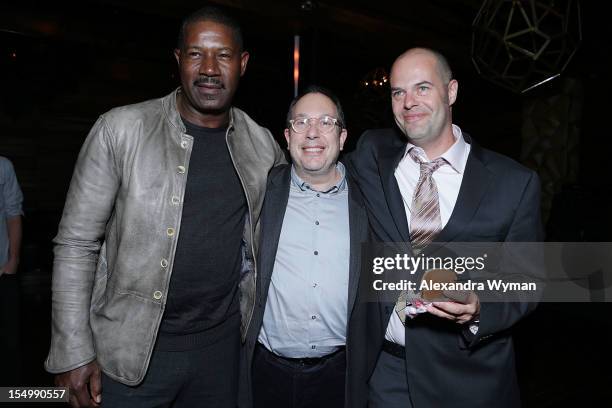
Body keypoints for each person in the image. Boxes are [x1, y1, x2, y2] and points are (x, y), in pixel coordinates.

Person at [45, 6, 285, 407]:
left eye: (223, 55)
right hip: (128, 356)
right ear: (178, 60)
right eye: (195, 54)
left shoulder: (262, 146)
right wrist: (71, 350)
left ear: (242, 64)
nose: (209, 68)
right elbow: (75, 244)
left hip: (222, 354)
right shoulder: (121, 129)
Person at [347, 47, 543, 407]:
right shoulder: (372, 153)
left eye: (422, 88)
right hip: (385, 373)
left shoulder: (513, 182)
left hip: (469, 380)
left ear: (451, 91)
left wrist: (481, 304)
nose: (409, 102)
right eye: (398, 92)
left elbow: (528, 279)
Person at [238, 86, 370, 408]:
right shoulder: (260, 192)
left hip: (340, 375)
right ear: (287, 135)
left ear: (342, 138)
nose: (312, 132)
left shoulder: (368, 200)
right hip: (264, 370)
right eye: (301, 122)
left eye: (326, 122)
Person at [0, 156, 23, 385]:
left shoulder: (4, 166)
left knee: (9, 345)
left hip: (3, 274)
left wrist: (13, 260)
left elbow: (13, 212)